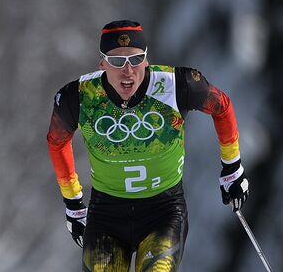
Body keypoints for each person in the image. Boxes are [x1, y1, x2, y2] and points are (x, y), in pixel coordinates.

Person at [46, 20, 249, 271]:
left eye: (136, 59)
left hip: (163, 212)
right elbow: (57, 142)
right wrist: (73, 203)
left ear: (146, 60)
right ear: (102, 64)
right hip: (107, 215)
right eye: (117, 61)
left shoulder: (177, 85)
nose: (128, 71)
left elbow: (222, 107)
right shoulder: (78, 96)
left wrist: (232, 167)